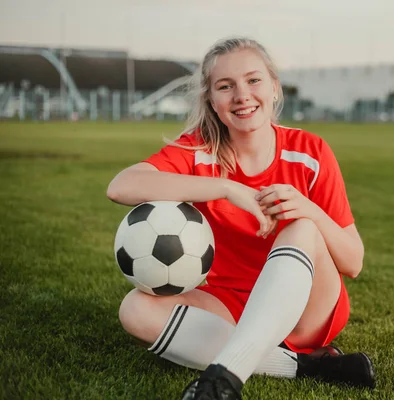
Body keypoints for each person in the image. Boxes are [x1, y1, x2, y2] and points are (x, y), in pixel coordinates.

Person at [107, 37, 375, 400]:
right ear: (212, 102)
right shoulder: (197, 150)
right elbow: (121, 186)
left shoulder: (310, 152)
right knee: (135, 310)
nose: (242, 95)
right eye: (225, 86)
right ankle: (305, 367)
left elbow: (354, 262)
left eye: (253, 80)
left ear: (274, 88)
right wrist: (224, 188)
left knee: (302, 227)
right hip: (227, 304)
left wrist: (307, 209)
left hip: (306, 311)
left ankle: (222, 381)